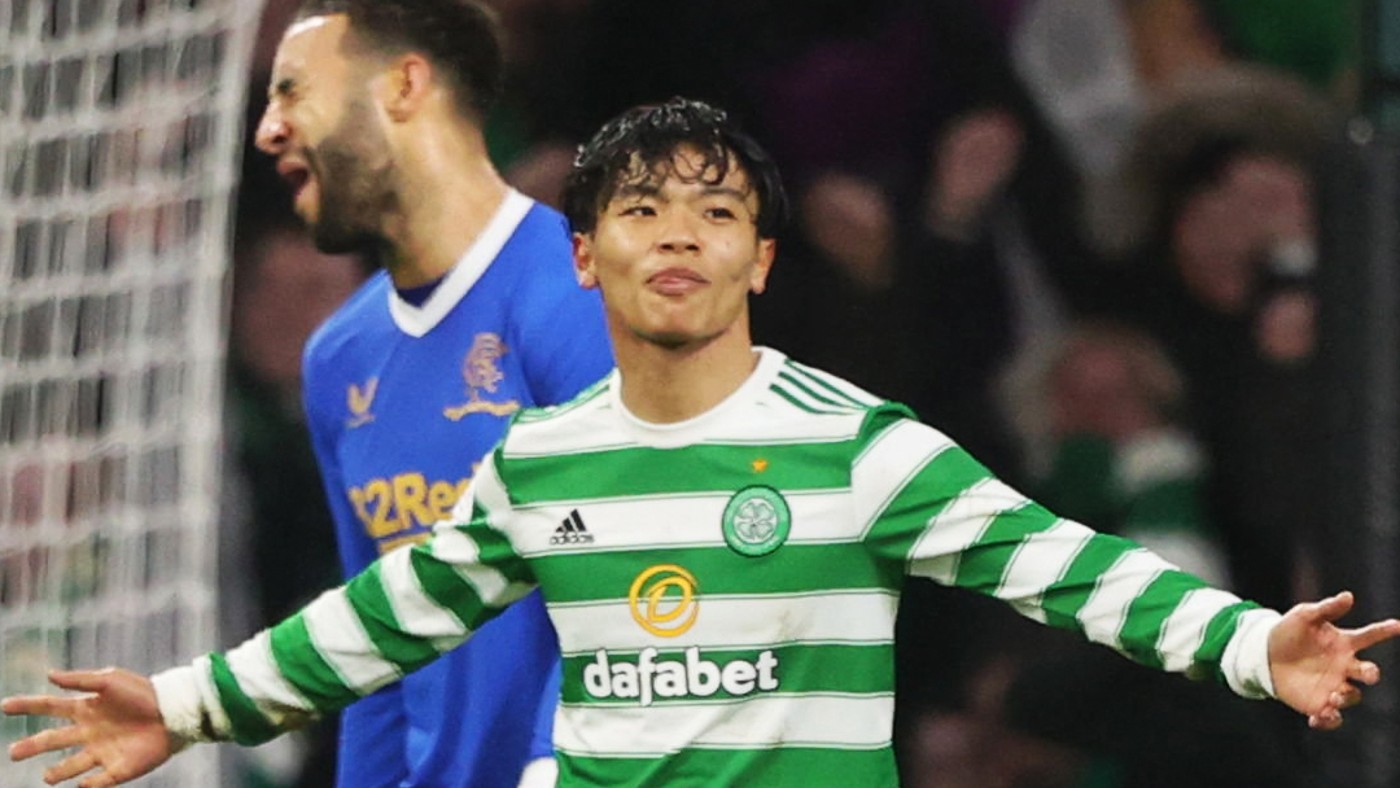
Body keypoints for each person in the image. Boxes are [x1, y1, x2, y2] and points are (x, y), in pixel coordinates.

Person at [5, 97, 1398, 788]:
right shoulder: (537, 464)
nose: (678, 234)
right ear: (584, 259)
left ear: (761, 260)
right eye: (640, 211)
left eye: (716, 212)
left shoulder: (859, 451)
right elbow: (378, 621)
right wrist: (183, 706)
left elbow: (1073, 570)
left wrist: (1251, 645)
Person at [234, 2, 613, 786]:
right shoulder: (339, 357)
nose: (270, 130)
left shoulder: (582, 295)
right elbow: (377, 651)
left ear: (404, 88)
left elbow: (628, 594)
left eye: (298, 93)